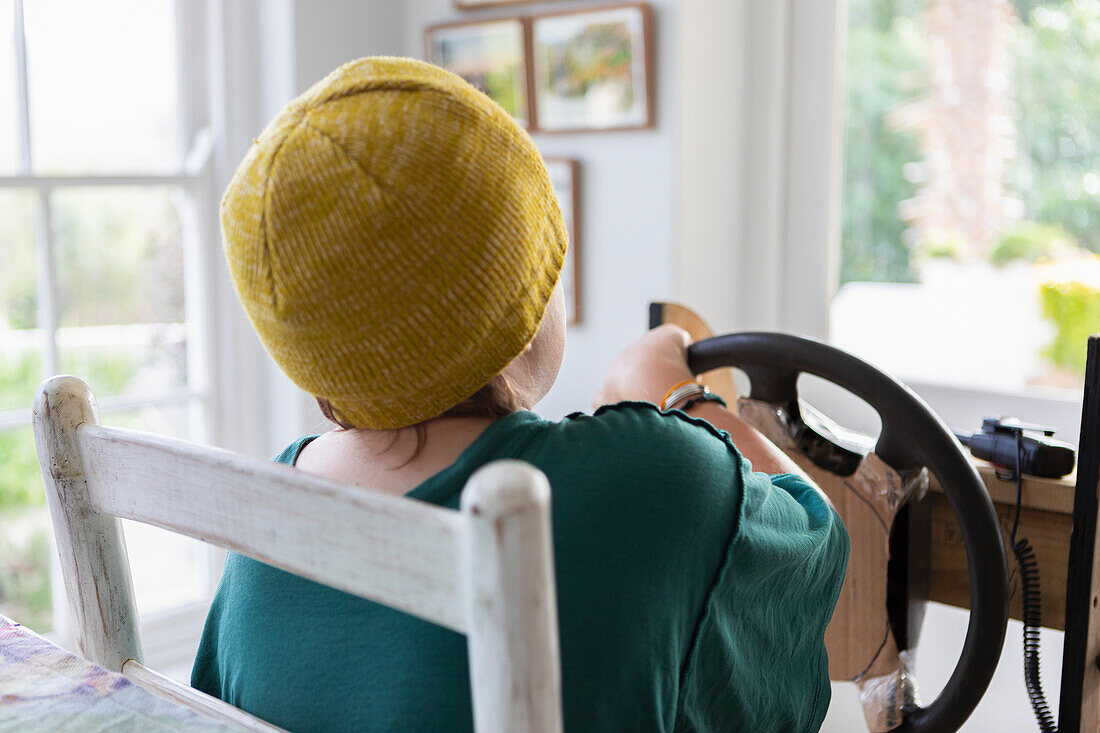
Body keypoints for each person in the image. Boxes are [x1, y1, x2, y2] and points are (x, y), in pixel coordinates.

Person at [191, 56, 849, 733]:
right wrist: (679, 394)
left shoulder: (260, 523)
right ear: (524, 310)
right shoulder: (652, 474)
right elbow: (815, 536)